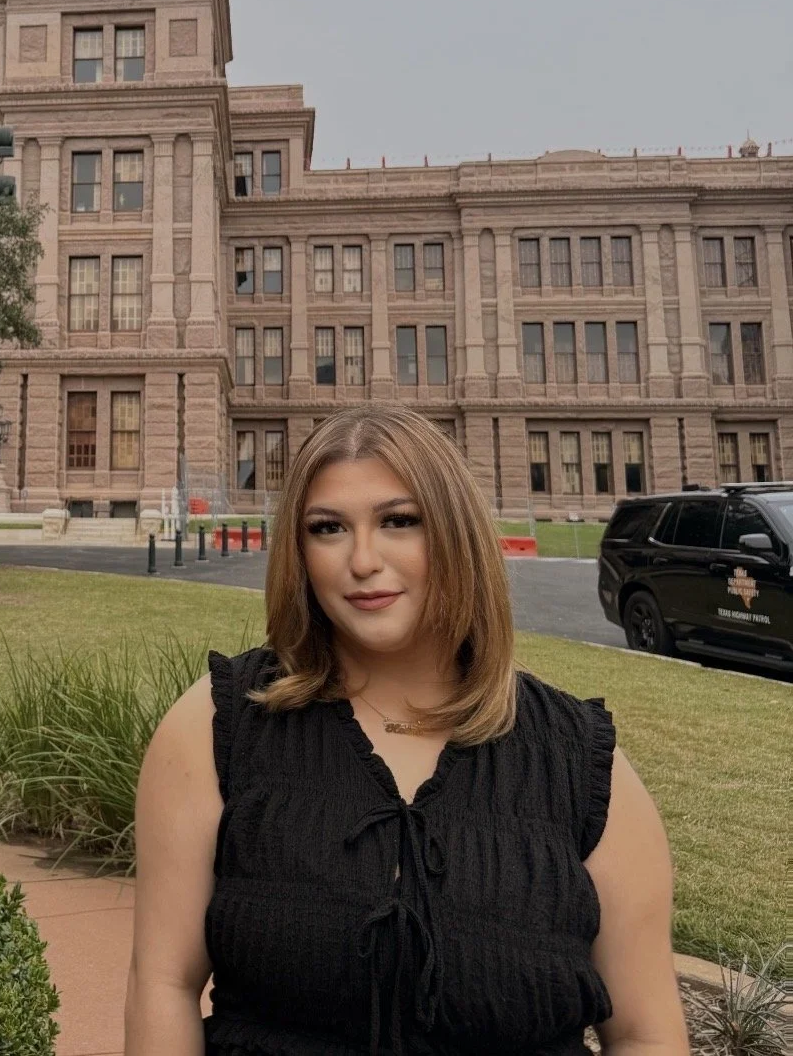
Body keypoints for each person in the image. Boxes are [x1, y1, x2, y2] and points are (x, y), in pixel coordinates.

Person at [126, 406, 688, 1056]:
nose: (363, 559)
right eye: (328, 527)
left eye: (399, 520)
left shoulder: (583, 765)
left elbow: (648, 1033)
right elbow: (162, 983)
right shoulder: (218, 727)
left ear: (454, 533)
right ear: (300, 551)